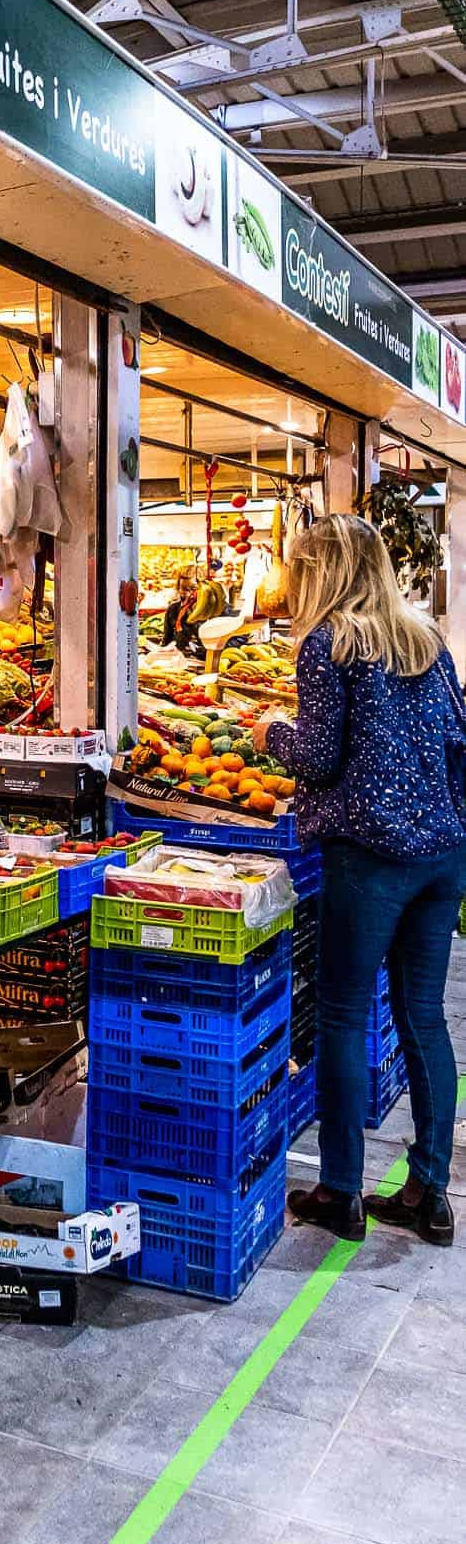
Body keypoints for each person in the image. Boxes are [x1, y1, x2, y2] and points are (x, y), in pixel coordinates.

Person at [261, 513, 466, 1246]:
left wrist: (268, 736)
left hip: (370, 859)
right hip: (440, 855)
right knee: (423, 1016)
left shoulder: (328, 645)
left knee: (344, 1015)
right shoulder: (424, 639)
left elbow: (315, 758)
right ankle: (429, 1191)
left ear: (320, 571)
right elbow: (458, 740)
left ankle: (340, 1192)